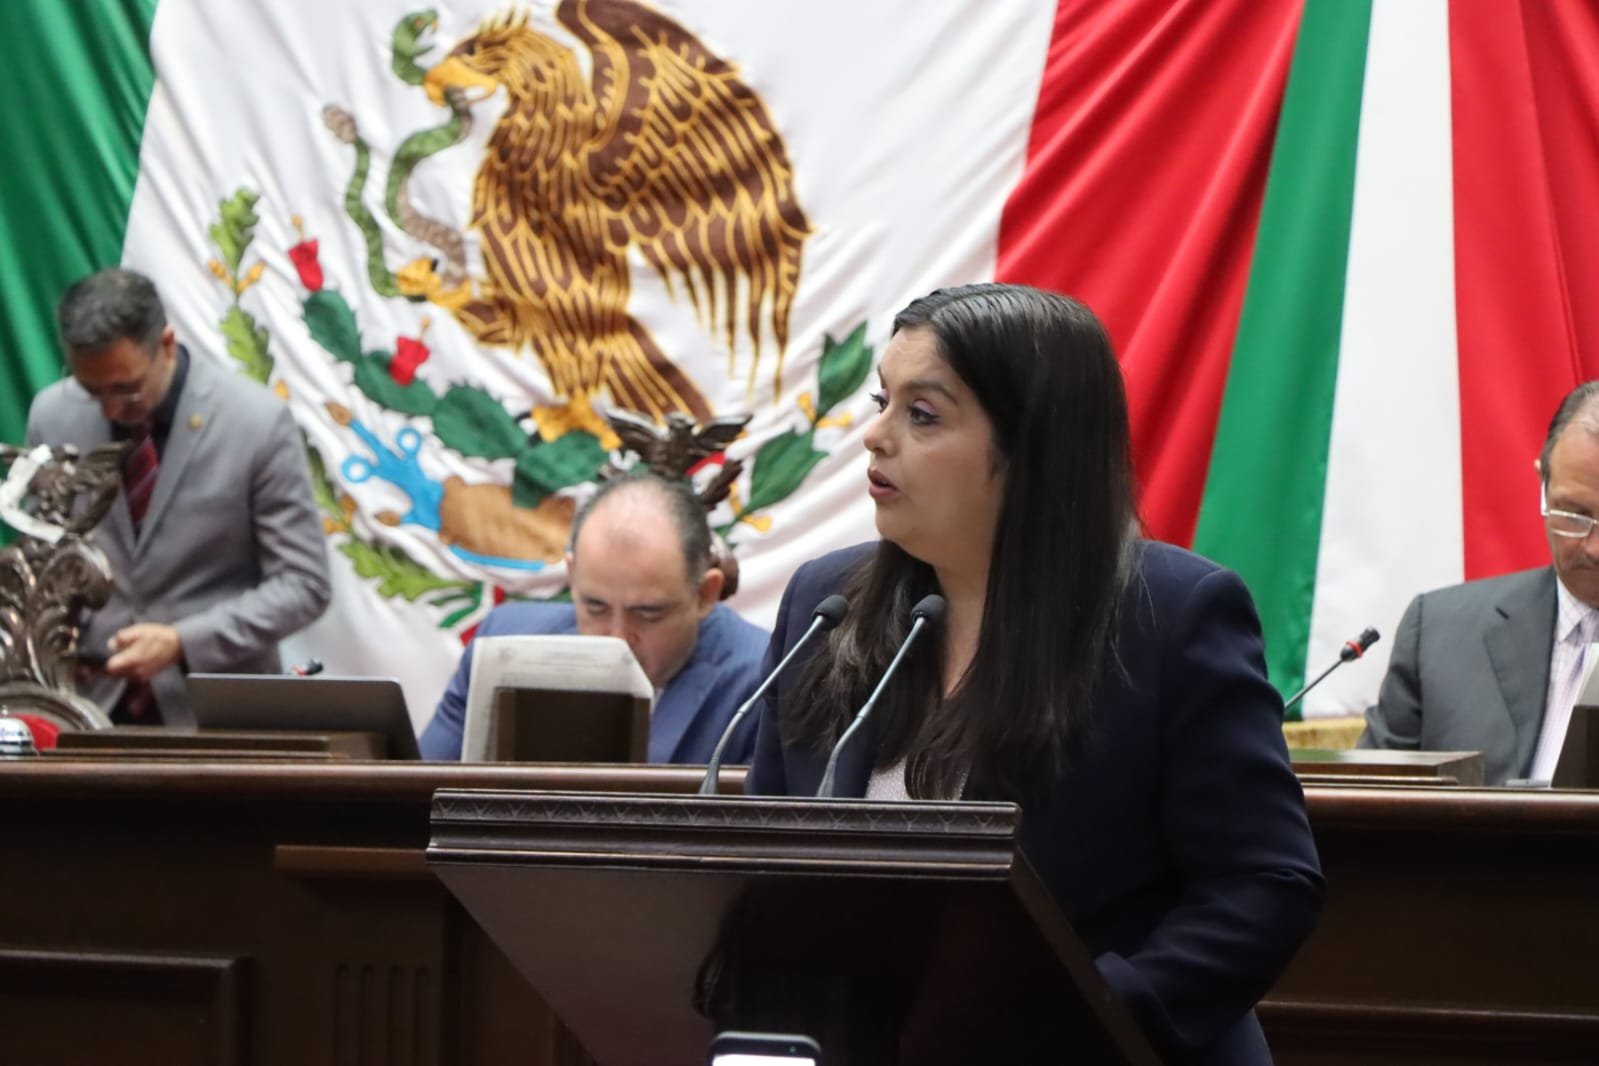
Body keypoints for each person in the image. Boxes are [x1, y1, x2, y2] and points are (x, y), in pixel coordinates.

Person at [744, 283, 1323, 1064]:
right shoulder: (826, 603)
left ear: (1033, 447)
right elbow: (767, 859)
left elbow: (1264, 884)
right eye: (883, 402)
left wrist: (1090, 1014)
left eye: (922, 414)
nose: (874, 437)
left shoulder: (1170, 616)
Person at [25, 267, 331, 724]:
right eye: (92, 391)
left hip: (214, 713)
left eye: (126, 390)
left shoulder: (255, 423)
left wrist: (183, 640)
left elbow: (304, 583)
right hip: (83, 706)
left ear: (166, 344)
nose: (110, 409)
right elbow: (41, 563)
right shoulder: (53, 415)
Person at [419, 470, 770, 762]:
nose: (616, 637)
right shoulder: (501, 645)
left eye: (648, 613)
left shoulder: (768, 679)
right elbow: (416, 801)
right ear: (573, 577)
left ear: (705, 594)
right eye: (595, 607)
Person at [1361, 381, 1599, 786]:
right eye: (1573, 515)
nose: (1593, 547)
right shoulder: (1437, 635)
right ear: (1542, 485)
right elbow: (1368, 803)